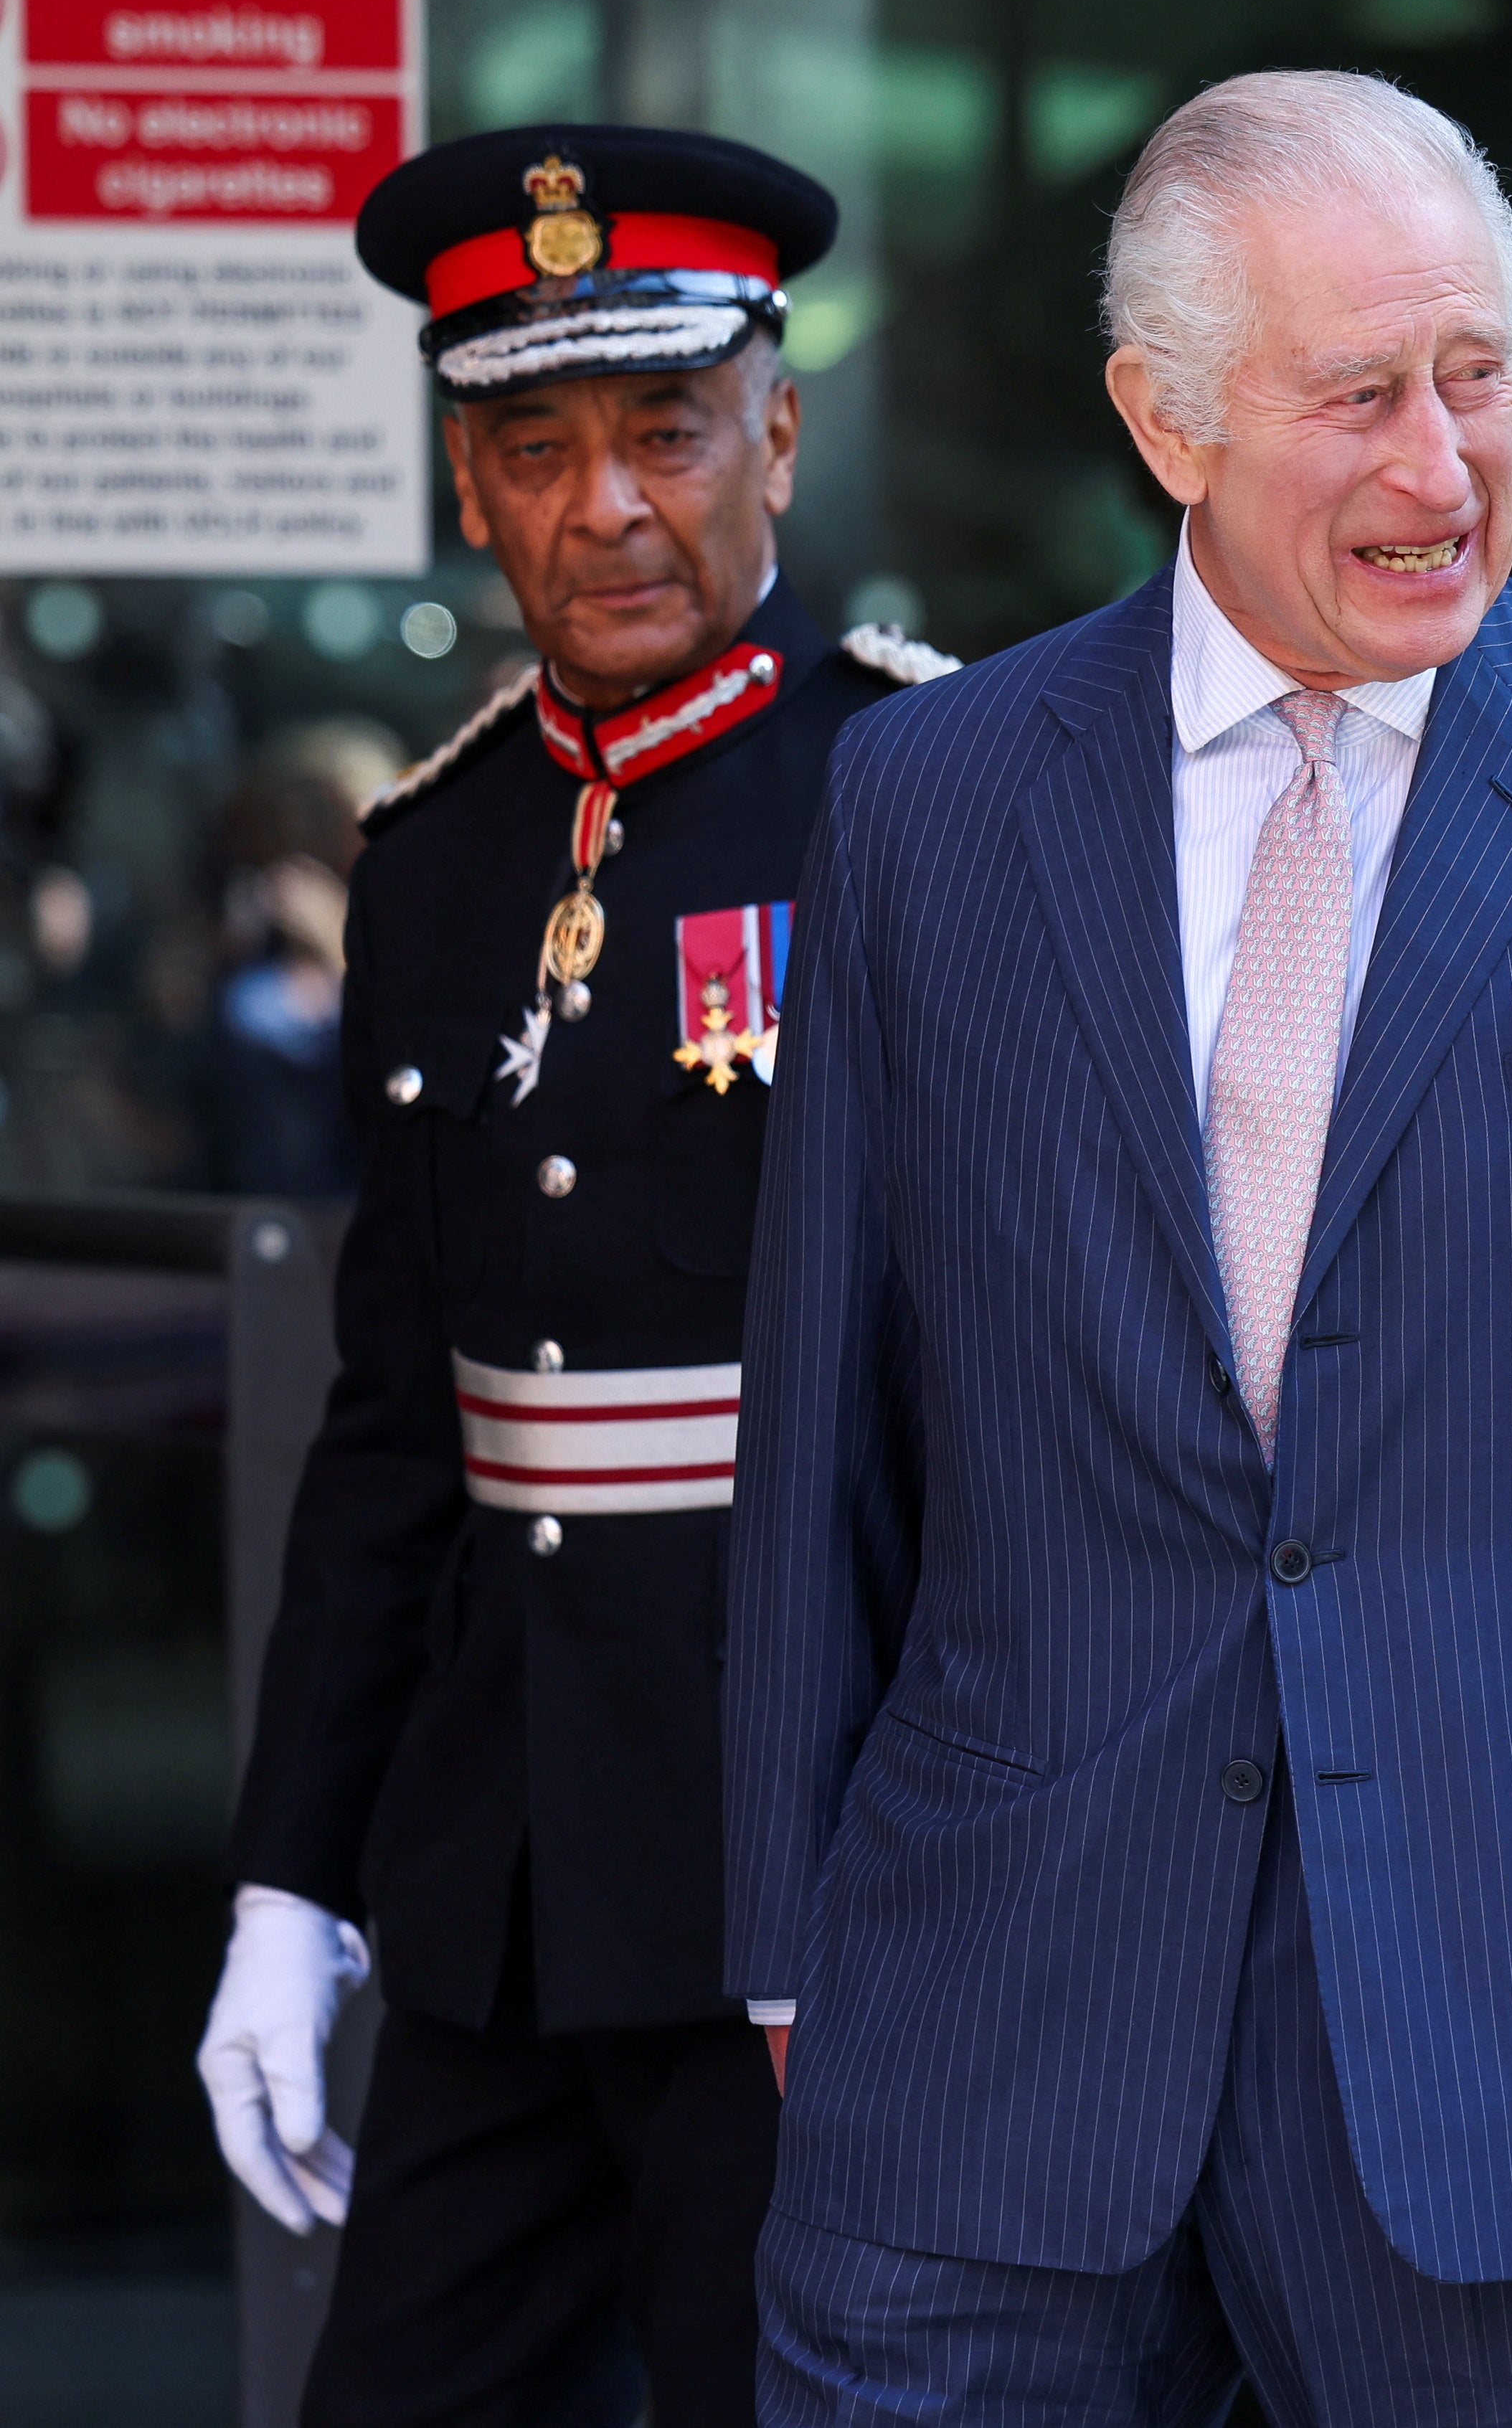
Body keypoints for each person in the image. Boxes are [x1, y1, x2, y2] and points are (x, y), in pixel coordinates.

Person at [722, 70, 1512, 2426]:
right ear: (1163, 421)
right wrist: (793, 1954)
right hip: (991, 2023)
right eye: (1359, 395)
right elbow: (829, 1416)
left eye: (1479, 376)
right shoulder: (929, 802)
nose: (1440, 464)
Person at [197, 125, 958, 2427]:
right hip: (502, 1876)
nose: (607, 507)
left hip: (815, 1864)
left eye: (665, 432)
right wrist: (286, 1884)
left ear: (780, 439)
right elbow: (397, 1434)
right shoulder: (427, 863)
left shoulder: (928, 793)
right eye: (538, 450)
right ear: (469, 487)